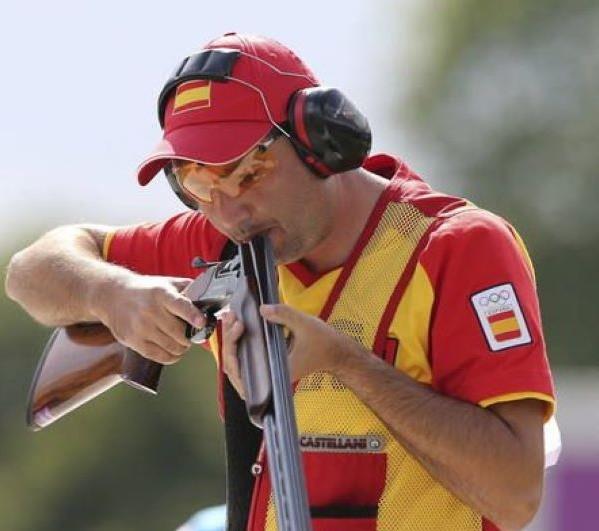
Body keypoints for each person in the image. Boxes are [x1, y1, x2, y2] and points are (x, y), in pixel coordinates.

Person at [5, 32, 558, 531]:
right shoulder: (220, 239)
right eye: (196, 183)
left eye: (249, 170)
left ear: (322, 142)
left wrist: (346, 363)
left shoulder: (457, 247)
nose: (229, 210)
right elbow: (29, 271)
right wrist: (114, 294)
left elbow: (515, 496)